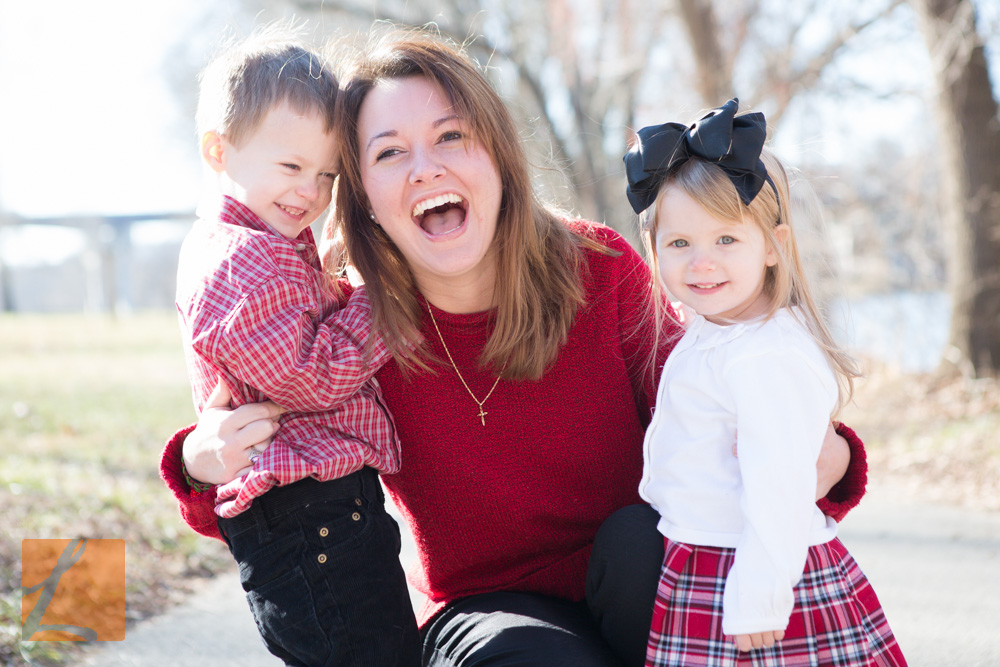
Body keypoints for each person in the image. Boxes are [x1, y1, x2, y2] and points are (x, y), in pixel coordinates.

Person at [162, 28, 869, 667]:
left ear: (497, 157)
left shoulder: (599, 269)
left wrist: (831, 457)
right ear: (363, 195)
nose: (424, 168)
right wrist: (198, 463)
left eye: (450, 138)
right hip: (486, 616)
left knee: (637, 544)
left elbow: (727, 402)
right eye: (388, 153)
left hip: (641, 584)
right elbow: (280, 487)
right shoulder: (349, 334)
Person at [623, 99, 906, 666]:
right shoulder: (715, 332)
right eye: (680, 244)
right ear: (655, 252)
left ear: (774, 246)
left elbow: (779, 483)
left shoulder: (766, 354)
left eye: (726, 240)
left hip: (760, 576)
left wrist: (760, 595)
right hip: (702, 557)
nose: (701, 262)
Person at [173, 27, 420, 666]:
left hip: (320, 512)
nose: (310, 192)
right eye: (290, 167)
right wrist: (380, 303)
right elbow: (309, 376)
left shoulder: (269, 247)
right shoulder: (239, 265)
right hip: (307, 516)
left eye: (326, 175)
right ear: (218, 151)